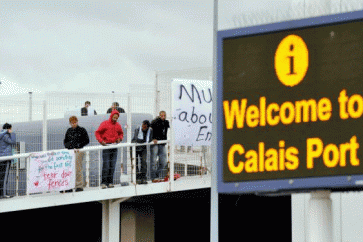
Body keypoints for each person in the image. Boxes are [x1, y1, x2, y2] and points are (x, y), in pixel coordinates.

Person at [95, 110, 123, 188]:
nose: (115, 119)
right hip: (106, 146)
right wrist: (101, 141)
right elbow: (97, 132)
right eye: (114, 117)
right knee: (106, 164)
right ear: (111, 116)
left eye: (116, 118)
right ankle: (104, 182)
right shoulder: (105, 123)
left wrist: (120, 139)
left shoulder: (118, 125)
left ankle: (110, 182)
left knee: (112, 165)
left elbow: (121, 133)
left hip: (114, 146)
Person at [63, 116, 90, 192]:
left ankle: (79, 185)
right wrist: (69, 146)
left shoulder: (82, 130)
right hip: (71, 152)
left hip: (78, 151)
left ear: (77, 122)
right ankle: (70, 185)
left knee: (78, 168)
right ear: (70, 123)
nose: (74, 124)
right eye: (72, 123)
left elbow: (87, 140)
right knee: (70, 168)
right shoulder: (68, 131)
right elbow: (65, 142)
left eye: (75, 122)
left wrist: (79, 145)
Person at [150, 111, 170, 181]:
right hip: (155, 143)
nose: (163, 117)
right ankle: (153, 177)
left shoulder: (166, 122)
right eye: (162, 115)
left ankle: (156, 174)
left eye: (164, 115)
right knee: (153, 161)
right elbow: (150, 130)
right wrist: (152, 139)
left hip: (162, 143)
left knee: (164, 162)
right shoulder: (155, 122)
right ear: (159, 115)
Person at [131, 120, 153, 185]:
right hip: (134, 147)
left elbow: (150, 139)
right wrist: (143, 140)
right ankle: (137, 178)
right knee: (135, 163)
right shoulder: (138, 129)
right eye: (143, 125)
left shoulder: (150, 131)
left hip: (143, 148)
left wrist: (143, 141)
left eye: (145, 126)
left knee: (144, 162)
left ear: (148, 127)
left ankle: (143, 178)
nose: (143, 127)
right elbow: (136, 138)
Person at [0, 123, 16, 199]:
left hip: (1, 158)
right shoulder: (6, 136)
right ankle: (4, 194)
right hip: (6, 158)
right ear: (8, 128)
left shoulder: (1, 134)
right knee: (5, 176)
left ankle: (1, 193)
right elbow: (13, 141)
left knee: (1, 176)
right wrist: (12, 133)